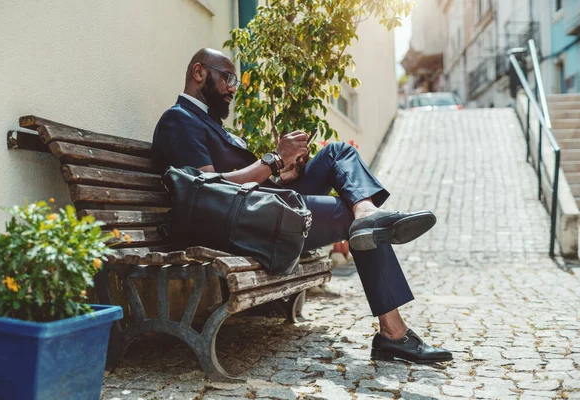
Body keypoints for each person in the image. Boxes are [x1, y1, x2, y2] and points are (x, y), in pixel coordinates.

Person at [152, 48, 452, 363]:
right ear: (199, 73)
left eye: (235, 81)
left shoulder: (210, 123)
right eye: (228, 78)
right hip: (240, 228)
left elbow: (244, 186)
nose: (233, 88)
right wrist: (273, 159)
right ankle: (394, 333)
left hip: (262, 209)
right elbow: (210, 193)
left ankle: (367, 212)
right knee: (347, 217)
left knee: (338, 152)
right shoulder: (179, 120)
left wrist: (283, 176)